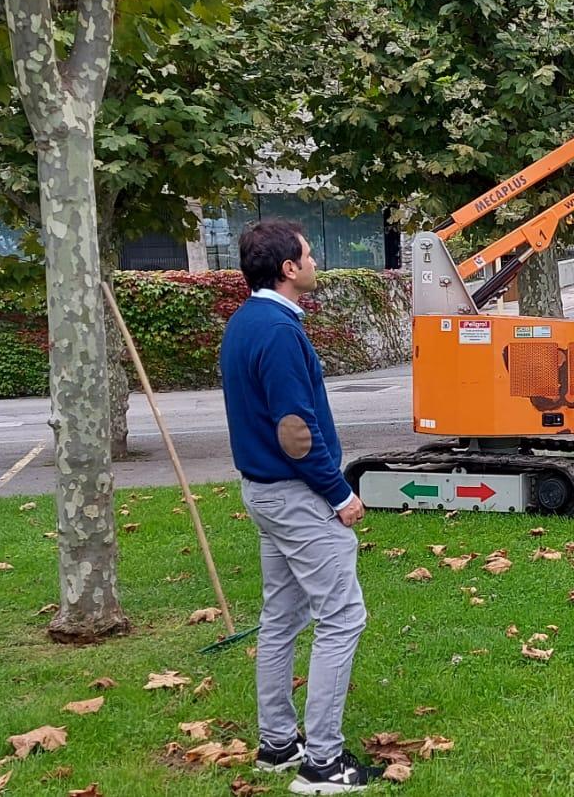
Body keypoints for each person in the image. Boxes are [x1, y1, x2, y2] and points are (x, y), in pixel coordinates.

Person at [219, 219, 384, 793]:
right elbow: (295, 430)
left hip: (263, 493)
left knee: (282, 617)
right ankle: (323, 764)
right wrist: (338, 493)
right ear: (289, 268)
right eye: (309, 256)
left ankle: (278, 744)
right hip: (297, 495)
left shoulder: (245, 322)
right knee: (342, 618)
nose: (315, 263)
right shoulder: (278, 331)